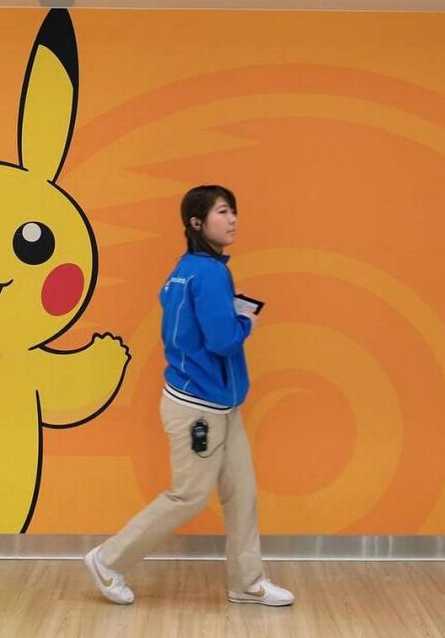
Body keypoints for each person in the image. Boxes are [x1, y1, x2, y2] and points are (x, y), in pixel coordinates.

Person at [84, 185, 295, 607]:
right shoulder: (211, 273)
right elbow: (221, 340)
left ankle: (246, 582)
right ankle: (107, 561)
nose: (233, 218)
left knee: (243, 493)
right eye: (222, 212)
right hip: (199, 408)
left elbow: (187, 333)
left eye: (234, 210)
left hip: (218, 404)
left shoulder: (184, 270)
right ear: (197, 222)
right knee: (189, 495)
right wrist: (246, 320)